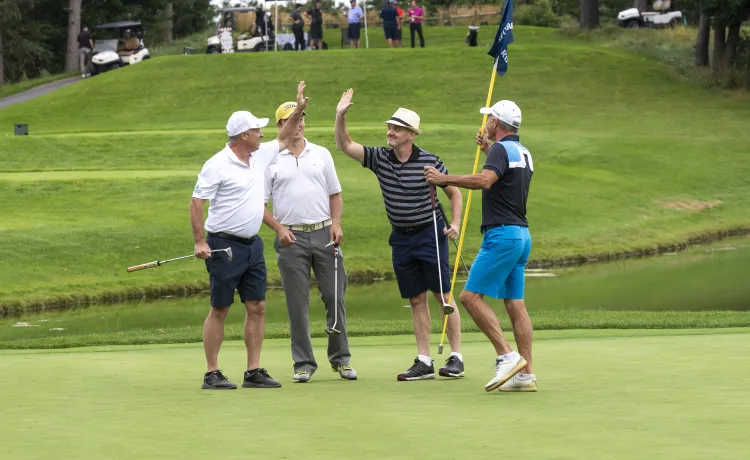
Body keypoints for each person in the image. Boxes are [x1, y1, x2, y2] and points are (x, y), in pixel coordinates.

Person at [334, 88, 466, 382]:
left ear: (411, 134)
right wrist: (340, 115)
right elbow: (345, 145)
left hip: (430, 235)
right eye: (390, 127)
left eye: (397, 129)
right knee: (415, 299)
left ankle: (456, 357)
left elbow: (455, 194)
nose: (390, 132)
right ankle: (424, 360)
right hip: (401, 238)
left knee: (442, 295)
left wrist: (455, 223)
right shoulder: (380, 158)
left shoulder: (429, 161)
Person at [190, 82, 309, 390]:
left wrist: (299, 109)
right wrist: (200, 241)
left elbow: (285, 135)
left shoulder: (260, 156)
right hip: (222, 244)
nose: (263, 134)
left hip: (252, 245)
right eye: (257, 130)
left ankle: (253, 369)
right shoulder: (217, 164)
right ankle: (212, 372)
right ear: (244, 135)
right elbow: (197, 203)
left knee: (257, 305)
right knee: (220, 308)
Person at [423, 100, 536, 393]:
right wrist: (487, 148)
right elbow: (504, 180)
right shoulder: (522, 151)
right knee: (515, 305)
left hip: (502, 236)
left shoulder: (501, 149)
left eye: (489, 119)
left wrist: (443, 178)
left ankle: (507, 356)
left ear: (497, 123)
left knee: (470, 297)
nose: (486, 123)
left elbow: (487, 180)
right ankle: (526, 374)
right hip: (521, 236)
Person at [263, 101, 357, 384]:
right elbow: (260, 204)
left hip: (324, 233)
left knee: (335, 297)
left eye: (302, 118)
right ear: (280, 126)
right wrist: (278, 228)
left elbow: (335, 194)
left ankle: (341, 360)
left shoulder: (322, 154)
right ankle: (303, 363)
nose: (299, 123)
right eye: (292, 119)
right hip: (290, 237)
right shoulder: (271, 159)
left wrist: (337, 222)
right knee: (297, 303)